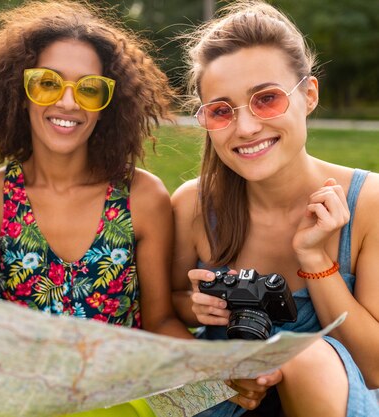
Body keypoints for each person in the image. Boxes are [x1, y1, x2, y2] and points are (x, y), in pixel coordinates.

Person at [0, 0, 278, 412]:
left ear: (110, 102)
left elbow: (158, 322)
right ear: (20, 91)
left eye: (89, 88)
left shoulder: (142, 197)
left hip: (122, 399)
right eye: (47, 83)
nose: (68, 102)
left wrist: (223, 374)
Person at [170, 1, 379, 416]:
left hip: (335, 400)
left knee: (306, 356)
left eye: (266, 99)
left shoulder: (369, 203)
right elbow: (167, 307)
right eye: (221, 111)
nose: (246, 128)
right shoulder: (193, 205)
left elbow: (374, 368)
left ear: (310, 95)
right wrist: (196, 307)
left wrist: (315, 258)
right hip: (223, 395)